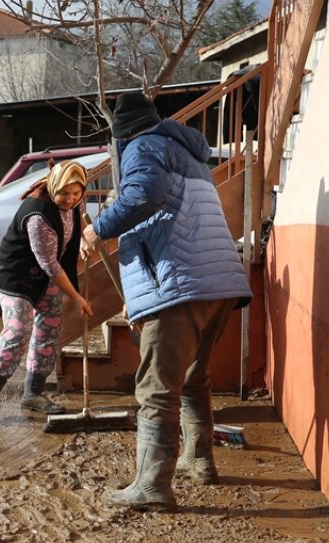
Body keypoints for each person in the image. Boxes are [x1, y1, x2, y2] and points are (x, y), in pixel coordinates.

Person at [82, 91, 252, 511]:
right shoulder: (188, 153)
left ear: (120, 135)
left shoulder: (143, 146)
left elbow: (144, 195)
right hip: (219, 282)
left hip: (182, 283)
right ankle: (199, 460)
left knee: (157, 388)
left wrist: (98, 229)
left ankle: (153, 486)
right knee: (194, 376)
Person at [0, 160, 95, 425]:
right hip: (16, 275)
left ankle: (33, 394)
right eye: (64, 193)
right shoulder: (37, 214)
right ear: (53, 188)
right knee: (18, 329)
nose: (70, 199)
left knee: (50, 328)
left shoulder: (75, 202)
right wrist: (76, 297)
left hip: (45, 275)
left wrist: (84, 240)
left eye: (76, 193)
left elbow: (77, 223)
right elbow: (50, 264)